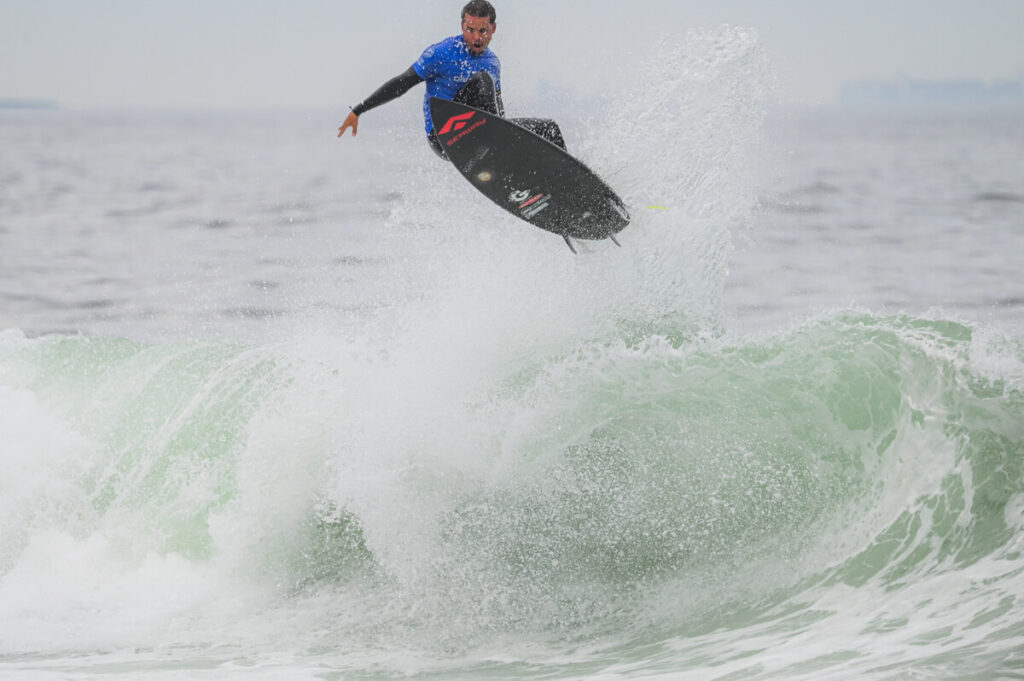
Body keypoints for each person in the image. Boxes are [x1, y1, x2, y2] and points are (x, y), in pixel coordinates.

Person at [337, 0, 563, 158]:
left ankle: (565, 183)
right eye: (470, 29)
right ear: (462, 26)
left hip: (482, 133)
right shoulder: (442, 52)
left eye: (483, 30)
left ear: (493, 28)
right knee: (483, 80)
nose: (476, 37)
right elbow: (402, 83)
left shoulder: (493, 62)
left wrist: (517, 139)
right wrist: (359, 110)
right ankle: (498, 147)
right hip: (445, 136)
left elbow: (498, 110)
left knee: (549, 129)